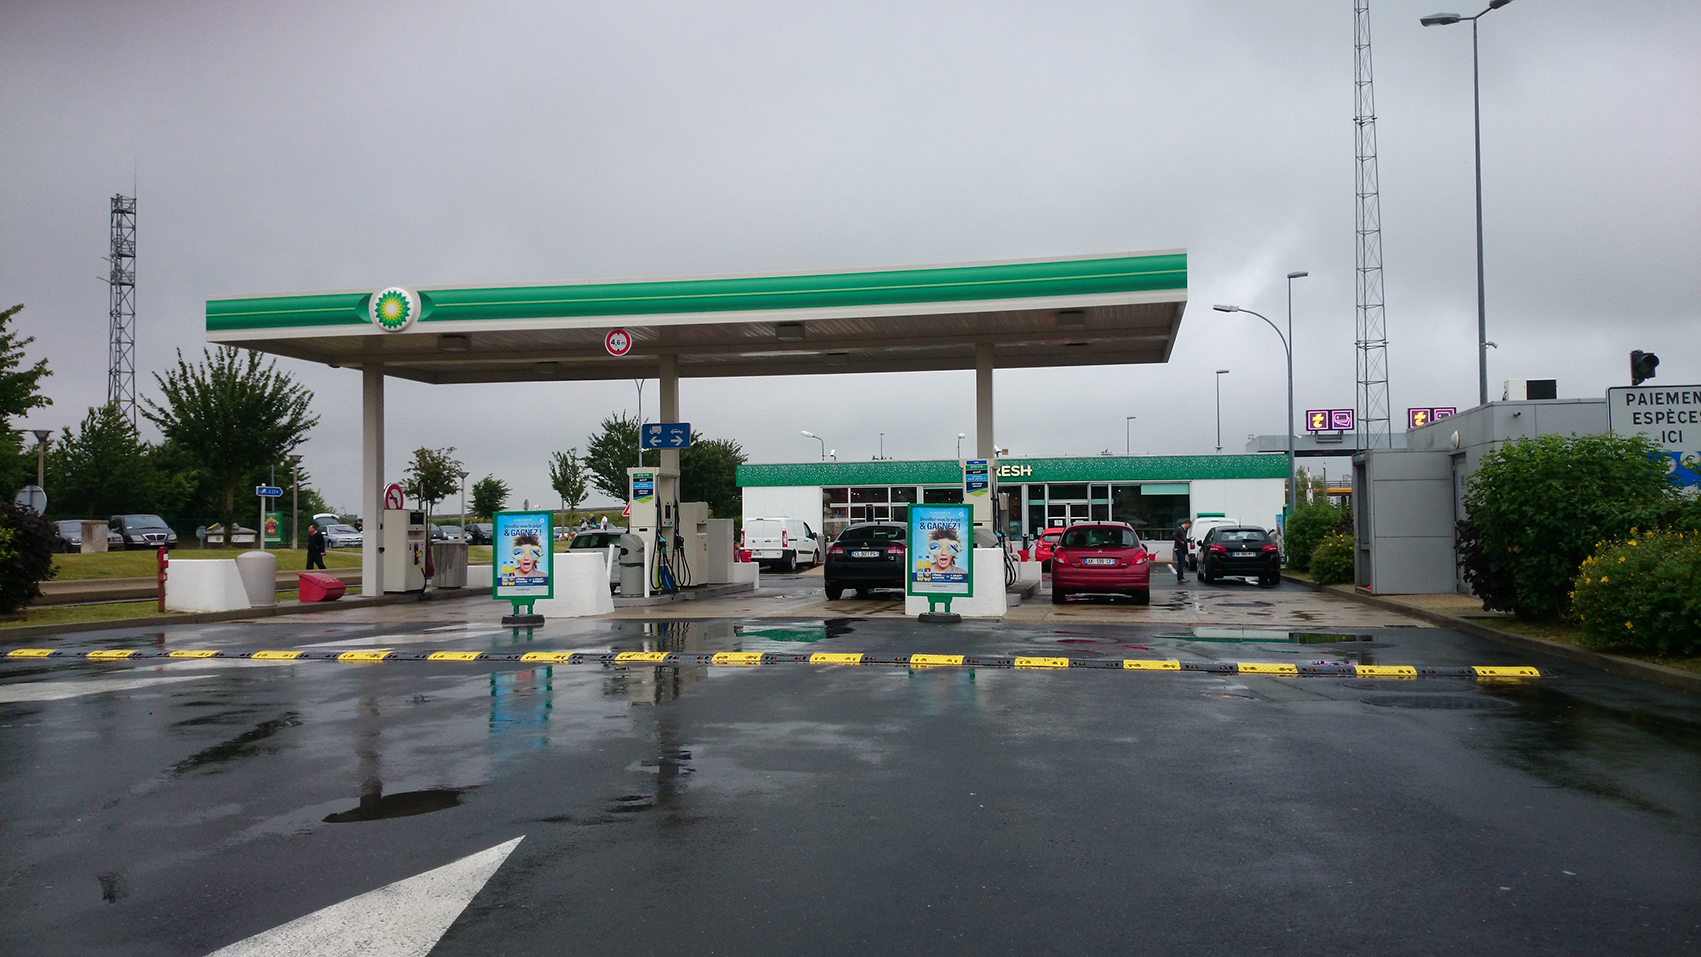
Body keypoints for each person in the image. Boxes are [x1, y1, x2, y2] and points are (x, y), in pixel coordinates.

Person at [1171, 519, 1191, 583]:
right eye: (1189, 526)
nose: (1189, 527)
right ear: (1186, 523)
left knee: (1182, 563)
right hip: (1179, 548)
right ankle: (1180, 577)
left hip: (1182, 548)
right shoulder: (1179, 529)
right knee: (1181, 562)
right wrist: (1180, 541)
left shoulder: (1183, 530)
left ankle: (1181, 577)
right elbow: (1173, 536)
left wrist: (1189, 540)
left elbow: (1183, 539)